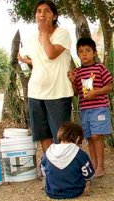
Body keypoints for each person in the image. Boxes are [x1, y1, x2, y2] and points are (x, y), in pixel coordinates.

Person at [17, 0, 73, 152]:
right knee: (43, 134)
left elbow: (51, 53)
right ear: (35, 15)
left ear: (54, 16)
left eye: (47, 11)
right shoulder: (31, 37)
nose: (42, 14)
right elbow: (21, 57)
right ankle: (50, 169)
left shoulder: (62, 33)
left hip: (58, 93)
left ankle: (63, 170)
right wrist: (32, 61)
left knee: (62, 136)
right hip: (36, 93)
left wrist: (43, 32)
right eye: (39, 11)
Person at [68, 38, 113, 177]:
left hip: (99, 107)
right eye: (80, 51)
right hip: (85, 109)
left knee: (97, 136)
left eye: (88, 50)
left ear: (94, 53)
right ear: (77, 54)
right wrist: (72, 82)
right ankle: (93, 167)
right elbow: (76, 93)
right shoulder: (77, 72)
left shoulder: (100, 68)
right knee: (89, 137)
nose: (84, 54)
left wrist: (95, 92)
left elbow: (110, 86)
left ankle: (101, 167)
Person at [41, 122, 95, 199]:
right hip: (75, 191)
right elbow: (89, 175)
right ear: (78, 139)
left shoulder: (49, 151)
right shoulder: (79, 153)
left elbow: (43, 171)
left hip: (52, 192)